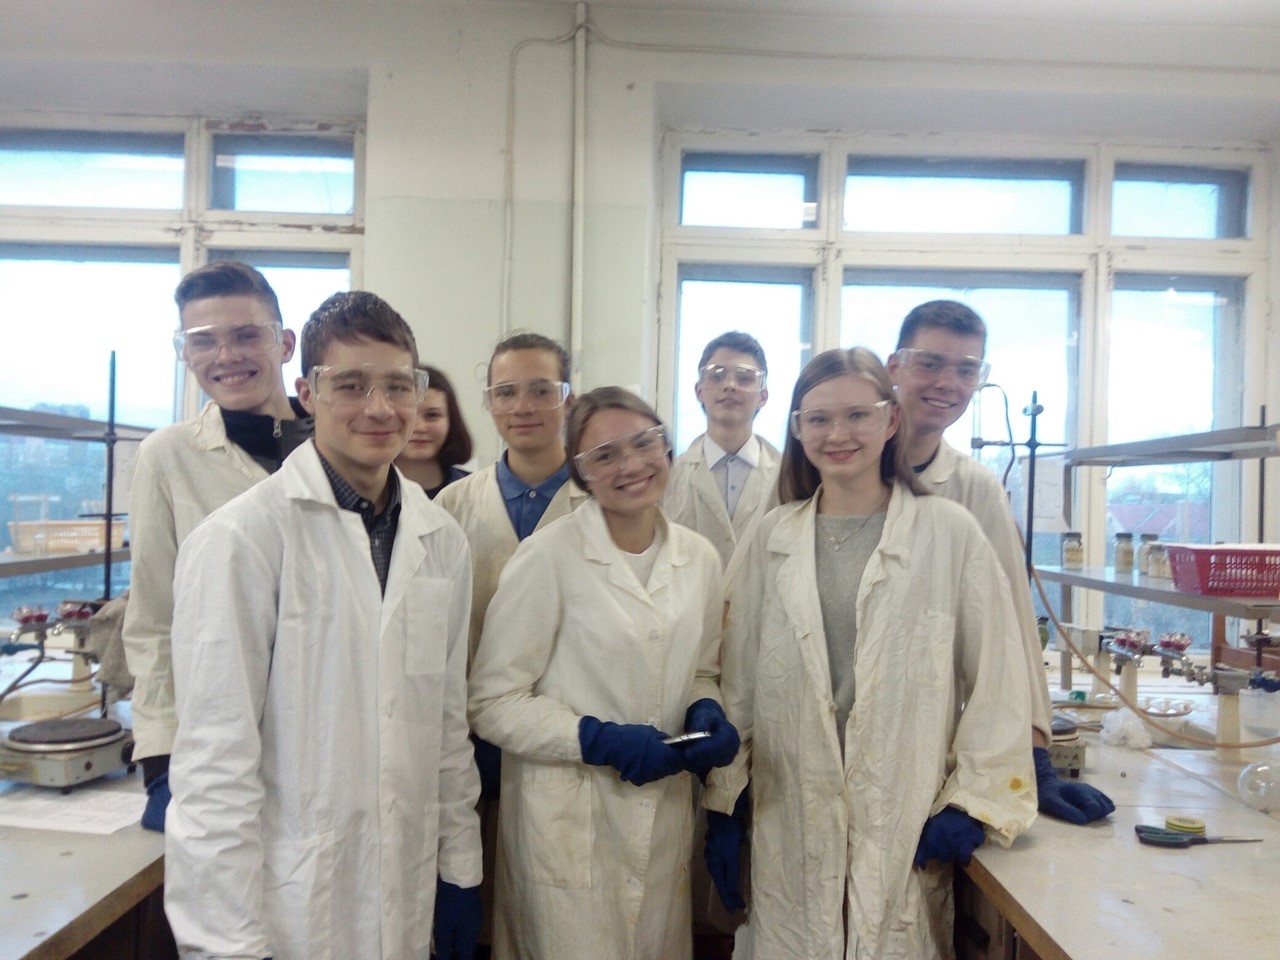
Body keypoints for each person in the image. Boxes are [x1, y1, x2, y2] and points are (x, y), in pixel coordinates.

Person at [165, 291, 482, 960]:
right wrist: (224, 946)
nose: (380, 407)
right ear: (307, 392)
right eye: (351, 384)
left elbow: (446, 724)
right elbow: (214, 763)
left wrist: (460, 866)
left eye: (398, 385)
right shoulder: (242, 539)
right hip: (290, 903)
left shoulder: (441, 540)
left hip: (405, 890)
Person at [704, 347, 1037, 959]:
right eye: (819, 419)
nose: (838, 434)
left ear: (890, 421)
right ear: (797, 429)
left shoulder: (949, 532)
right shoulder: (772, 536)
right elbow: (738, 681)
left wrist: (974, 801)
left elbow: (999, 679)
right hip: (787, 812)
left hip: (902, 817)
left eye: (857, 415)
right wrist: (724, 798)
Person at [468, 387, 738, 960]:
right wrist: (596, 740)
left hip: (662, 820)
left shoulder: (699, 558)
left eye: (644, 443)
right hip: (566, 828)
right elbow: (492, 701)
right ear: (582, 473)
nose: (631, 465)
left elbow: (701, 668)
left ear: (666, 446)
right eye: (605, 455)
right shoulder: (547, 557)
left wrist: (704, 708)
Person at [886, 299, 1115, 826]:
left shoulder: (976, 489)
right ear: (894, 366)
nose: (948, 382)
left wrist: (1035, 760)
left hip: (924, 742)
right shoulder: (837, 467)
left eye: (967, 370)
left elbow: (1012, 626)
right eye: (931, 363)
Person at [123, 260, 313, 833]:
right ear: (185, 353)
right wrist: (160, 757)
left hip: (328, 725)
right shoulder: (168, 456)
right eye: (203, 341)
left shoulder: (336, 447)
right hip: (216, 739)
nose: (225, 356)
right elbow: (153, 618)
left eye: (246, 335)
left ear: (284, 344)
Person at [664, 331, 780, 569]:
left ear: (763, 396)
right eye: (716, 376)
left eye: (744, 378)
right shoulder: (668, 475)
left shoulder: (786, 475)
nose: (729, 385)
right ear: (699, 391)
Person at [395, 363, 474, 498]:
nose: (419, 427)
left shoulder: (475, 491)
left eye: (432, 415)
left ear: (451, 420)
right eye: (409, 415)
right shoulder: (366, 492)